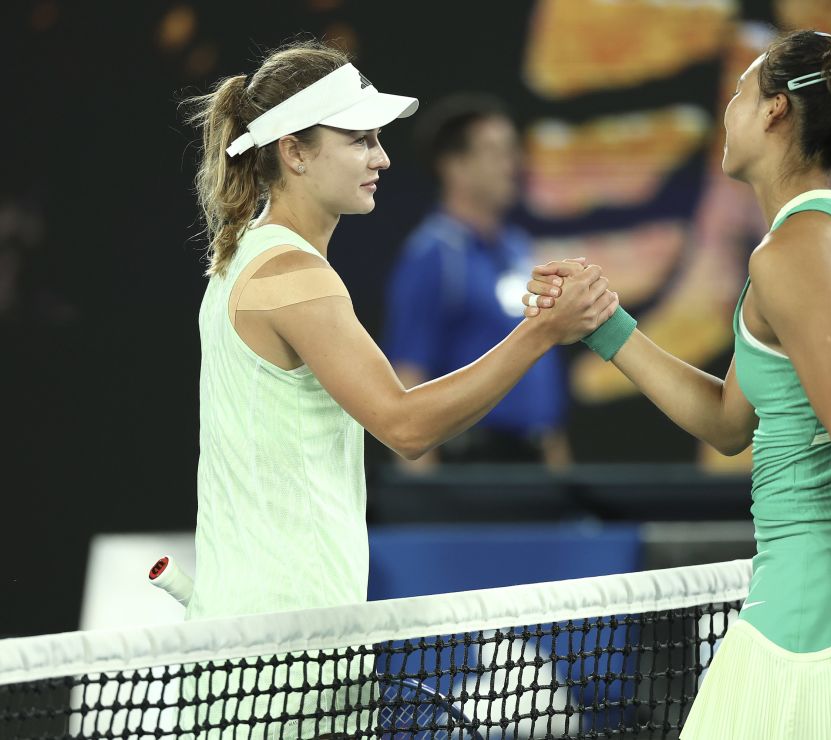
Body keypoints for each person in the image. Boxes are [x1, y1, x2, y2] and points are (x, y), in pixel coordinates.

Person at [525, 30, 831, 736]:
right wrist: (608, 326)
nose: (728, 109)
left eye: (740, 91)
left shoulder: (793, 253)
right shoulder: (824, 240)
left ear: (774, 112)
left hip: (825, 604)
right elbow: (730, 421)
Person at [184, 41, 617, 622]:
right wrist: (541, 332)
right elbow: (405, 426)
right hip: (289, 628)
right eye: (359, 139)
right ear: (295, 153)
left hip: (265, 616)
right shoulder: (293, 275)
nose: (381, 158)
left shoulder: (245, 259)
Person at [385, 94, 571, 467]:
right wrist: (421, 501)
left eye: (513, 151)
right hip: (471, 465)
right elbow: (408, 373)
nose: (512, 164)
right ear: (454, 167)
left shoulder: (520, 250)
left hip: (533, 461)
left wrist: (557, 469)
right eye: (495, 152)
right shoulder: (433, 255)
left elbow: (539, 369)